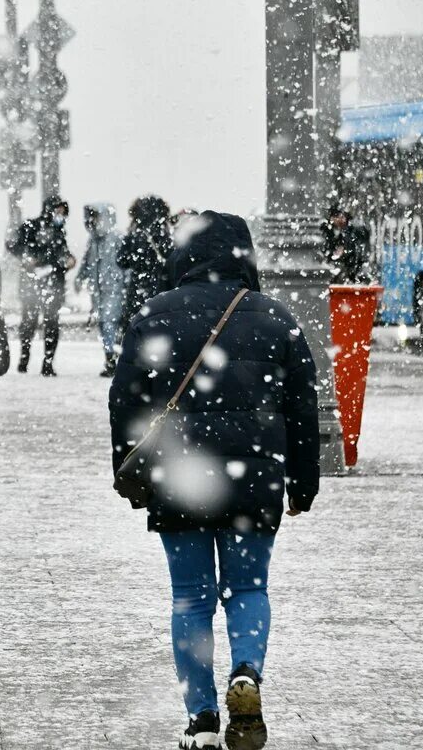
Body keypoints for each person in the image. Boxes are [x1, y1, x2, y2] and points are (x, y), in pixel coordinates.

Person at [109, 210, 320, 750]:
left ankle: (201, 721)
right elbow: (302, 409)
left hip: (181, 476)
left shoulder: (154, 315)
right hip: (255, 475)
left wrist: (129, 473)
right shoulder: (276, 318)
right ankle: (246, 673)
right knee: (248, 587)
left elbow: (127, 402)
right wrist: (304, 481)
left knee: (190, 597)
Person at [7, 195, 76, 376]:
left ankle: (47, 362)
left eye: (63, 213)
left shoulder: (59, 232)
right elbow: (12, 244)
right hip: (34, 282)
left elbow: (60, 255)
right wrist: (28, 258)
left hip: (52, 283)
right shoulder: (32, 227)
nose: (61, 216)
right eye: (58, 212)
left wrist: (67, 260)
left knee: (50, 323)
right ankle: (26, 357)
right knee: (30, 321)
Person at [76, 203, 126, 377]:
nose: (92, 220)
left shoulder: (117, 238)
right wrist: (80, 277)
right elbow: (86, 261)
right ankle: (111, 358)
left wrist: (125, 283)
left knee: (109, 323)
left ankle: (112, 359)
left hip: (114, 289)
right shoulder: (94, 241)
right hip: (98, 291)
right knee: (105, 324)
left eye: (95, 216)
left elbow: (126, 264)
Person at [117, 194, 174, 333]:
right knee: (158, 327)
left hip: (137, 288)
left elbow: (121, 260)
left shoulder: (135, 233)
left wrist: (135, 259)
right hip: (160, 287)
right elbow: (171, 256)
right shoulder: (162, 232)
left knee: (133, 326)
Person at [321, 204, 371, 284]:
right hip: (336, 269)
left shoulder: (352, 232)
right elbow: (327, 250)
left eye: (343, 216)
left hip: (351, 269)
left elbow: (356, 251)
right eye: (337, 216)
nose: (340, 219)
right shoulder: (328, 232)